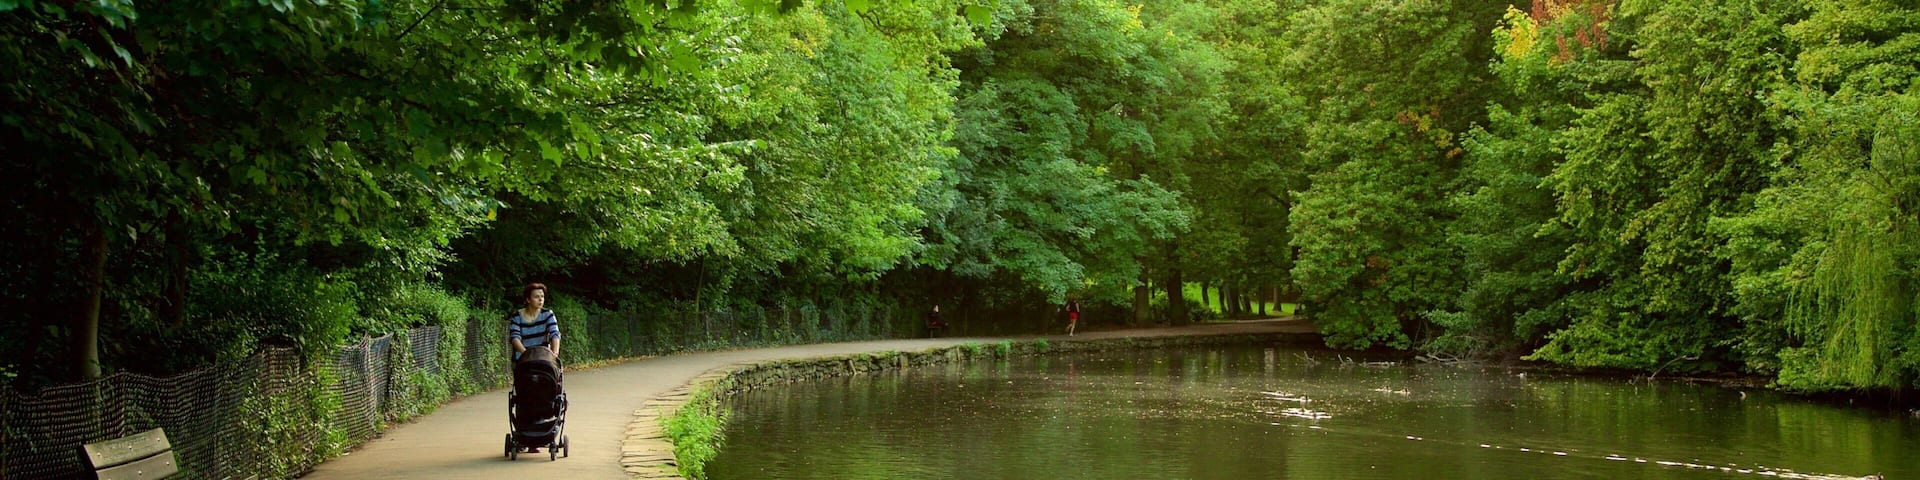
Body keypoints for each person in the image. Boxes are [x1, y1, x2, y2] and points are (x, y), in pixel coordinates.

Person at [509, 283, 562, 362]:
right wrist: (527, 355)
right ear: (528, 299)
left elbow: (555, 334)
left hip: (543, 357)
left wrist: (555, 354)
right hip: (523, 358)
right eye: (536, 297)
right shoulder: (517, 316)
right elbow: (515, 338)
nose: (540, 299)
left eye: (542, 296)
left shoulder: (548, 314)